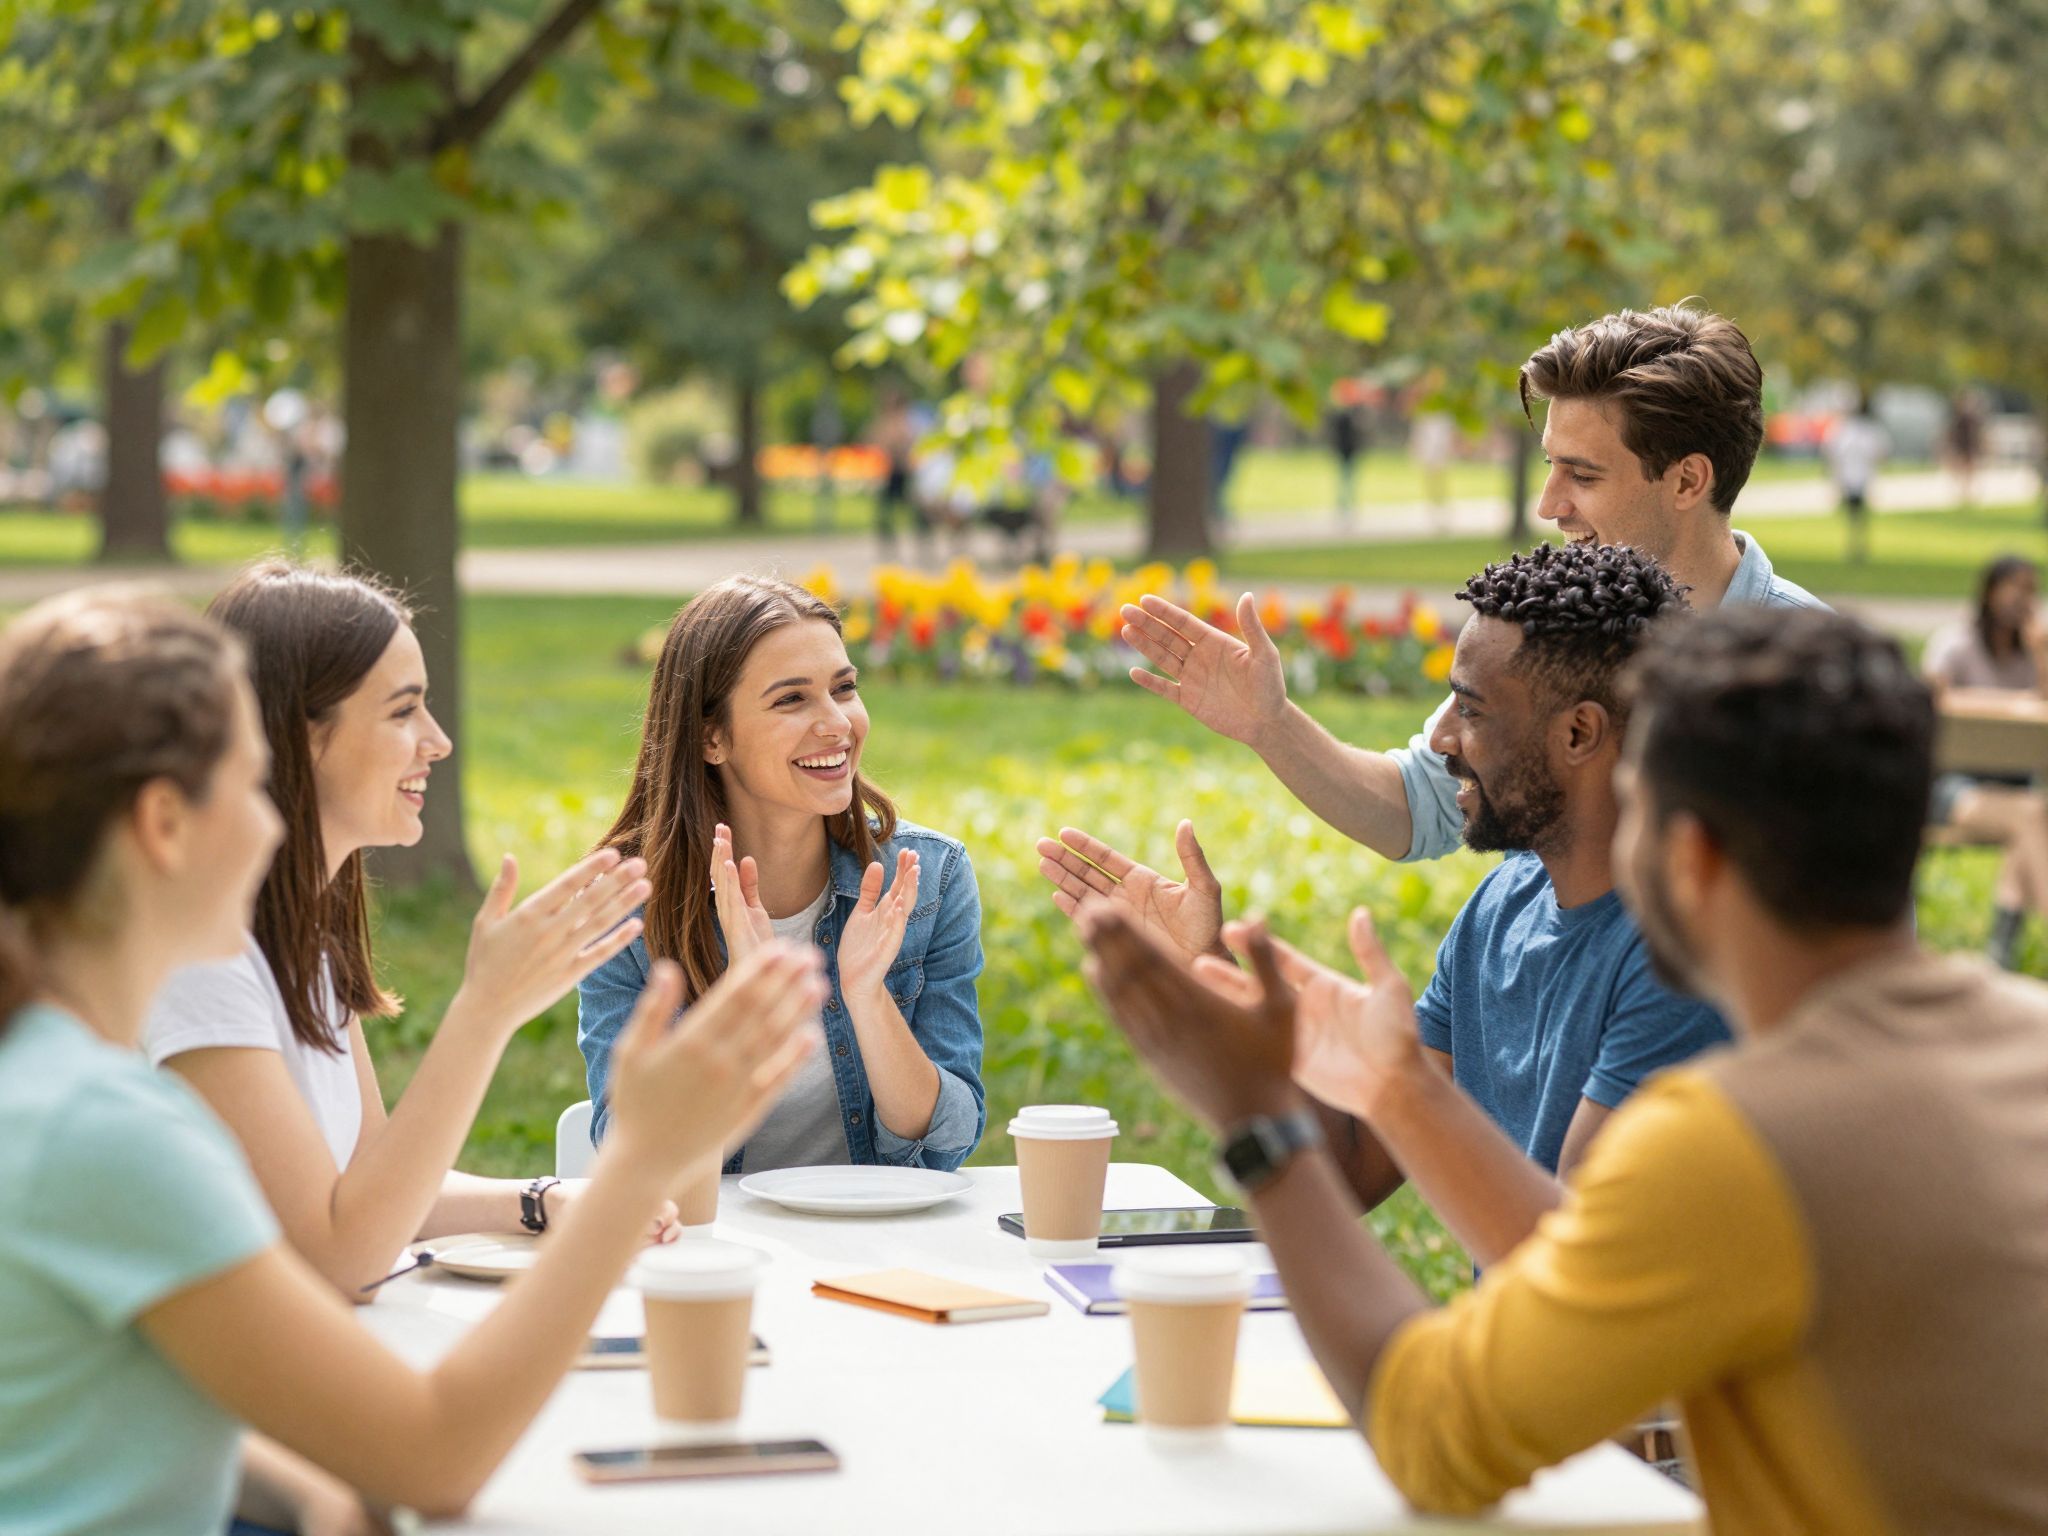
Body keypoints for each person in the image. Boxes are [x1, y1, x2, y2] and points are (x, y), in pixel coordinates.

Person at [1078, 604, 2048, 1531]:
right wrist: (1376, 1080)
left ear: (1689, 856)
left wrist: (1256, 1122)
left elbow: (1431, 1433)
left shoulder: (1733, 1139)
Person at [0, 587, 820, 1535]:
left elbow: (139, 1395)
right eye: (248, 778)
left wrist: (315, 1499)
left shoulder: (52, 1082)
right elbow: (436, 1454)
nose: (272, 823)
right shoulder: (102, 1133)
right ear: (164, 825)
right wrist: (639, 1164)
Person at [1042, 542, 1725, 1243]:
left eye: (1472, 710)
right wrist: (1207, 968)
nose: (1439, 737)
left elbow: (1573, 1256)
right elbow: (1354, 1169)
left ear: (1579, 732)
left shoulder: (1676, 962)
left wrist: (1396, 1088)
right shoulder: (1500, 911)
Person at [1116, 305, 1826, 869]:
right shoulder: (1551, 625)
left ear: (1688, 480)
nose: (1548, 505)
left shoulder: (1811, 675)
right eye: (1549, 466)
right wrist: (1271, 727)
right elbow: (1419, 806)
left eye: (1582, 475)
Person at [143, 563, 676, 1302]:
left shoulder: (305, 948)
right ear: (301, 734)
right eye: (402, 712)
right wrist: (484, 1015)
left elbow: (375, 1185)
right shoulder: (200, 965)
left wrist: (545, 1199)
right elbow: (340, 1256)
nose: (439, 741)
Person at [580, 575, 986, 1172]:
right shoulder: (623, 908)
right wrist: (747, 1006)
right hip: (713, 1253)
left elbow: (948, 1137)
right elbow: (634, 1156)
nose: (837, 724)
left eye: (843, 688)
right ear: (711, 737)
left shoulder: (929, 880)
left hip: (876, 1249)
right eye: (791, 699)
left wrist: (867, 997)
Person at [1923, 554, 2048, 968]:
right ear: (1989, 591)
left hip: (2017, 787)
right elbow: (1929, 706)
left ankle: (1999, 958)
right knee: (2034, 818)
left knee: (2031, 821)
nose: (2020, 598)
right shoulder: (1954, 645)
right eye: (2012, 586)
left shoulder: (2031, 653)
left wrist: (2042, 653)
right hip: (1956, 788)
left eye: (2029, 589)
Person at [1823, 390, 1888, 562]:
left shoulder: (1850, 430)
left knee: (1856, 514)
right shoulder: (1849, 430)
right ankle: (1856, 545)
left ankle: (1857, 545)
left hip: (1858, 478)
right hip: (1852, 478)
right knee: (1855, 514)